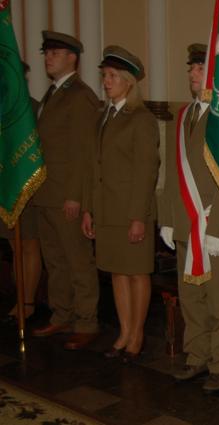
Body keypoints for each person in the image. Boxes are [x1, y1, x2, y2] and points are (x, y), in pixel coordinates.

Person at [157, 44, 219, 392]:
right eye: (191, 68)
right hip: (184, 222)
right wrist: (167, 218)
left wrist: (218, 225)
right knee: (190, 295)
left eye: (200, 68)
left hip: (212, 223)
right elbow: (171, 174)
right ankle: (197, 354)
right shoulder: (181, 116)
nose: (192, 74)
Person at [81, 46, 159, 363]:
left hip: (130, 211)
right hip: (106, 210)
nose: (107, 81)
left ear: (129, 81)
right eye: (104, 75)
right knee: (116, 272)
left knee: (136, 273)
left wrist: (138, 217)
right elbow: (93, 167)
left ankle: (137, 334)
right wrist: (89, 209)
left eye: (113, 76)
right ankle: (124, 332)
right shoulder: (103, 117)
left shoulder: (141, 119)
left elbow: (146, 171)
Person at [31, 31, 100, 350]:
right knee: (55, 260)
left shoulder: (80, 96)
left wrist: (76, 196)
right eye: (46, 53)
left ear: (73, 57)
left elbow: (84, 153)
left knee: (77, 260)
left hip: (65, 194)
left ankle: (86, 321)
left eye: (55, 53)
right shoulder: (53, 93)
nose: (48, 58)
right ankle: (62, 314)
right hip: (47, 192)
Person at [1, 61, 43, 323]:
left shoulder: (32, 109)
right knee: (14, 246)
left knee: (28, 243)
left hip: (27, 187)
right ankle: (19, 297)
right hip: (6, 188)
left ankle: (28, 303)